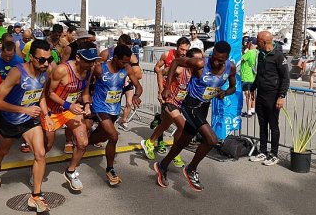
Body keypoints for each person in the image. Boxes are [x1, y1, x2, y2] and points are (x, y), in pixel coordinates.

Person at [154, 41, 236, 191]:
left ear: (227, 58)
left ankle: (162, 165)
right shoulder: (200, 63)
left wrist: (224, 93)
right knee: (211, 140)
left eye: (220, 60)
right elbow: (176, 62)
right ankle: (191, 169)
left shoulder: (231, 67)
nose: (216, 62)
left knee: (183, 142)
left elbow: (233, 87)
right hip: (190, 105)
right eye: (214, 58)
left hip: (203, 107)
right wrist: (166, 88)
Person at [0, 39, 52, 214]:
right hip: (10, 120)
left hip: (30, 120)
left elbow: (41, 95)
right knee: (3, 151)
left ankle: (36, 196)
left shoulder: (45, 73)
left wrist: (46, 115)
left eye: (49, 59)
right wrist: (24, 109)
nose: (46, 64)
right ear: (31, 57)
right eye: (42, 60)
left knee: (40, 153)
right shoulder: (17, 73)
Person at [83, 44, 142, 188]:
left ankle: (83, 143)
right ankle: (110, 170)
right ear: (115, 58)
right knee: (114, 136)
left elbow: (138, 86)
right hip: (99, 107)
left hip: (114, 109)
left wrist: (136, 95)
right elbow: (86, 86)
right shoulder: (99, 68)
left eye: (127, 62)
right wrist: (86, 102)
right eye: (123, 61)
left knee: (103, 136)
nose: (125, 64)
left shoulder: (127, 69)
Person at [41, 43, 99, 189]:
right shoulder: (61, 70)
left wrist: (87, 104)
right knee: (47, 146)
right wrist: (68, 105)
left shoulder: (89, 70)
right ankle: (37, 168)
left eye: (93, 61)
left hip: (70, 111)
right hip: (52, 111)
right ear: (78, 58)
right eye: (88, 61)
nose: (91, 64)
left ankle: (70, 171)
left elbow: (85, 90)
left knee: (83, 143)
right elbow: (49, 93)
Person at [141, 47, 203, 167]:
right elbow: (160, 72)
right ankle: (175, 153)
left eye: (201, 59)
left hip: (181, 103)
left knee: (165, 125)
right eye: (197, 59)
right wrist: (162, 90)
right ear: (190, 60)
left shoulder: (198, 73)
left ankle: (149, 142)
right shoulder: (180, 69)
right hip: (170, 101)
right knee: (182, 126)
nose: (200, 62)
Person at [248, 31, 290, 166]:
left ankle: (274, 154)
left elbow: (285, 78)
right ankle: (263, 151)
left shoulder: (278, 56)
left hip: (273, 96)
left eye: (258, 40)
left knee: (273, 125)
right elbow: (259, 74)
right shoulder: (260, 55)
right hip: (261, 94)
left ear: (264, 42)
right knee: (262, 124)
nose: (256, 43)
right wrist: (252, 88)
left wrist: (281, 96)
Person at [151, 37, 191, 155]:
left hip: (179, 92)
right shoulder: (167, 55)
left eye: (186, 50)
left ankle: (158, 118)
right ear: (177, 47)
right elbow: (157, 68)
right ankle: (160, 142)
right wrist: (161, 89)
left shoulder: (187, 59)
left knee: (166, 119)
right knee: (167, 119)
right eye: (182, 49)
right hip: (166, 91)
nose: (184, 52)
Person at [240, 38, 257, 116]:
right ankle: (253, 109)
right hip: (254, 76)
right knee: (252, 94)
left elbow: (241, 59)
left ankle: (249, 111)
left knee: (247, 94)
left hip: (246, 76)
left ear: (250, 43)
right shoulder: (257, 52)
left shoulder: (249, 52)